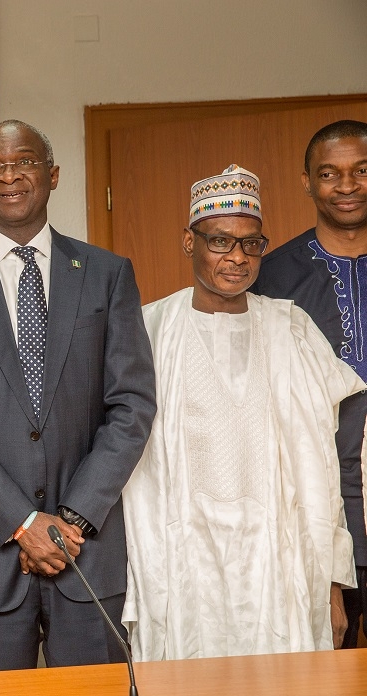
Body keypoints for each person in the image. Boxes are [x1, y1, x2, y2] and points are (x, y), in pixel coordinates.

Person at [0, 119, 156, 672]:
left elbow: (132, 404)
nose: (10, 174)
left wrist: (72, 519)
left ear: (53, 175)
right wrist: (22, 522)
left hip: (88, 548)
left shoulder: (107, 274)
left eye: (25, 161)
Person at [123, 165, 361, 660]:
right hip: (182, 567)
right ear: (188, 242)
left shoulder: (289, 328)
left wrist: (333, 584)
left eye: (252, 244)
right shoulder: (148, 329)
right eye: (220, 241)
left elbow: (321, 466)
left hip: (280, 566)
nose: (237, 257)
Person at [252, 119, 367, 648]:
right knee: (328, 662)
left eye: (361, 170)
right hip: (318, 501)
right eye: (330, 173)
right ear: (306, 182)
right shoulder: (271, 278)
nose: (347, 186)